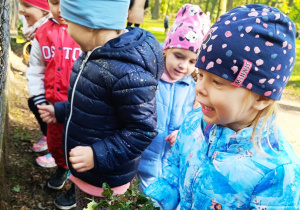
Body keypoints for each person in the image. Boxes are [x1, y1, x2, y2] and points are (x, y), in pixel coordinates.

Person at [145, 4, 300, 209]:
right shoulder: (193, 123)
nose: (199, 88)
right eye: (200, 75)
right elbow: (172, 175)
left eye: (217, 82)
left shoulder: (277, 172)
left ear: (262, 97)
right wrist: (150, 203)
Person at [38, 0, 164, 209]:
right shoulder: (92, 55)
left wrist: (97, 154)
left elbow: (142, 130)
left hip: (105, 182)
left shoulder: (127, 72)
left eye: (69, 22)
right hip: (88, 171)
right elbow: (89, 104)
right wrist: (59, 111)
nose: (67, 29)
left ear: (91, 22)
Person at [137, 4, 210, 193]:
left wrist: (183, 132)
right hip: (142, 159)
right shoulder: (149, 80)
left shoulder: (193, 87)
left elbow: (197, 119)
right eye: (179, 56)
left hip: (171, 162)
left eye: (192, 61)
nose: (183, 66)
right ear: (166, 50)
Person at [26, 0, 81, 209]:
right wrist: (39, 98)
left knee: (79, 146)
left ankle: (77, 187)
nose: (60, 9)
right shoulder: (43, 33)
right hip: (53, 106)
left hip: (81, 108)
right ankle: (61, 166)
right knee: (56, 143)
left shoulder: (87, 31)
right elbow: (36, 69)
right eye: (55, 2)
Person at [19, 0, 55, 164]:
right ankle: (50, 138)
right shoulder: (38, 30)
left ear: (44, 9)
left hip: (60, 89)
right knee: (36, 103)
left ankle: (57, 153)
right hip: (48, 84)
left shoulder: (53, 30)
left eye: (27, 5)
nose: (20, 10)